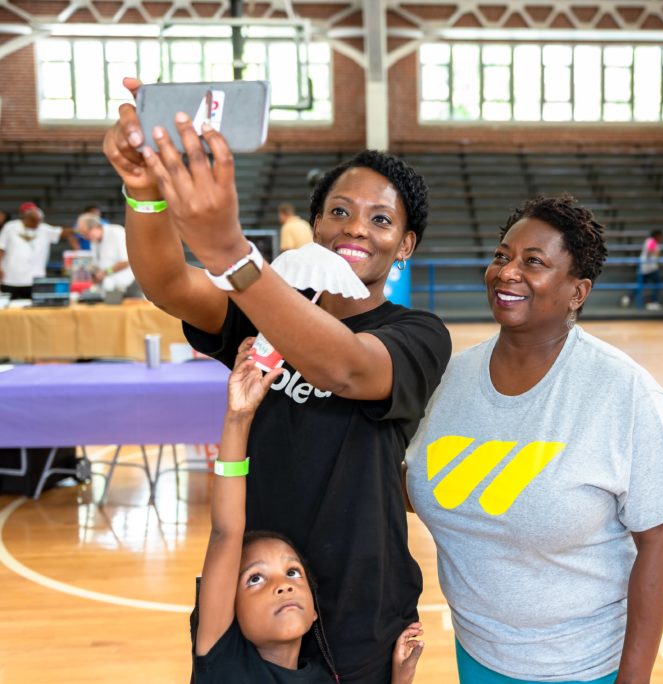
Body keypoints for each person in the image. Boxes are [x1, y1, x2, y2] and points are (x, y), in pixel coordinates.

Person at [102, 77, 451, 683]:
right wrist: (144, 193)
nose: (356, 228)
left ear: (405, 245)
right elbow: (166, 283)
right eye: (339, 211)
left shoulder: (418, 333)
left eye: (381, 219)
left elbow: (342, 365)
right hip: (261, 590)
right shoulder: (264, 306)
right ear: (315, 224)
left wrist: (232, 255)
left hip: (359, 602)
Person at [405, 195, 663, 683]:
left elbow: (659, 544)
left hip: (582, 666)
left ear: (577, 291)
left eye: (533, 262)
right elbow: (428, 486)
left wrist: (634, 679)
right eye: (502, 256)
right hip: (476, 652)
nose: (507, 272)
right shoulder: (452, 377)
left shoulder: (622, 390)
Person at [193, 337, 424, 683]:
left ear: (315, 611)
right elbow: (227, 531)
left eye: (293, 574)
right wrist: (238, 418)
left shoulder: (323, 676)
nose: (282, 585)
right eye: (254, 578)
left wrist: (400, 678)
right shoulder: (222, 663)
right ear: (229, 610)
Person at [0, 202, 75, 300]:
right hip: (11, 279)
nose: (37, 223)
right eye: (34, 221)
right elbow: (1, 248)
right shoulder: (10, 227)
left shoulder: (44, 229)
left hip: (35, 280)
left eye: (39, 220)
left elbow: (63, 233)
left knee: (34, 311)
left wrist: (78, 230)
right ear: (24, 218)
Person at [79, 213, 136, 295]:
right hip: (109, 288)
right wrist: (95, 272)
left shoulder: (116, 232)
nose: (85, 237)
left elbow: (126, 261)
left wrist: (105, 272)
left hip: (130, 286)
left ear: (95, 227)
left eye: (86, 233)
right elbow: (97, 265)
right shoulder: (94, 242)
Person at [638, 228, 663, 310]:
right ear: (656, 235)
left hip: (648, 267)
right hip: (650, 268)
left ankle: (628, 298)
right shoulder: (652, 241)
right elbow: (650, 251)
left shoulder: (652, 241)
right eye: (661, 236)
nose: (662, 238)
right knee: (657, 284)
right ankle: (653, 302)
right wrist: (656, 253)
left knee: (641, 284)